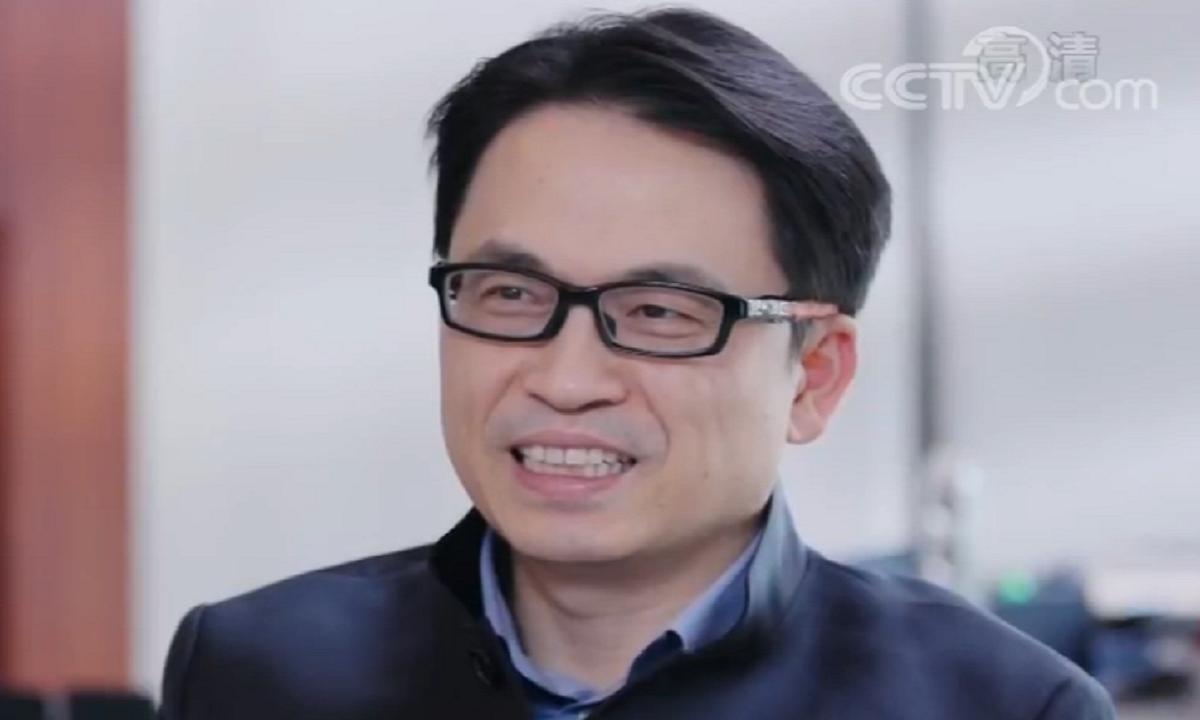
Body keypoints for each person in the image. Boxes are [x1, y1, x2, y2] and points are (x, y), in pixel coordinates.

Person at [156, 7, 1116, 720]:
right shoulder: (255, 670)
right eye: (511, 294)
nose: (566, 380)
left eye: (659, 313)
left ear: (814, 373)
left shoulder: (1002, 705)